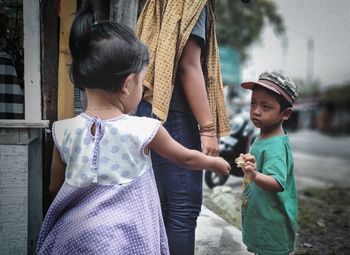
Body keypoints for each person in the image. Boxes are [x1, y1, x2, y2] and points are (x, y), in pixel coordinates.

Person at [36, 1, 230, 254]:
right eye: (143, 81)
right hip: (127, 241)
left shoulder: (63, 131)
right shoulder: (145, 130)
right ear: (128, 84)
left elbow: (55, 188)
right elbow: (187, 158)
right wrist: (215, 163)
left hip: (74, 240)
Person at [136, 1, 230, 254]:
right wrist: (208, 129)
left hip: (150, 105)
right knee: (182, 210)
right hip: (174, 110)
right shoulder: (191, 3)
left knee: (164, 208)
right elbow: (189, 65)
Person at [239, 71, 299, 255]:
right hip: (261, 217)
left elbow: (277, 183)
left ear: (285, 113)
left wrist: (254, 175)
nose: (256, 111)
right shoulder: (264, 135)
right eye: (253, 103)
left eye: (265, 107)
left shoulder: (275, 146)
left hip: (272, 224)